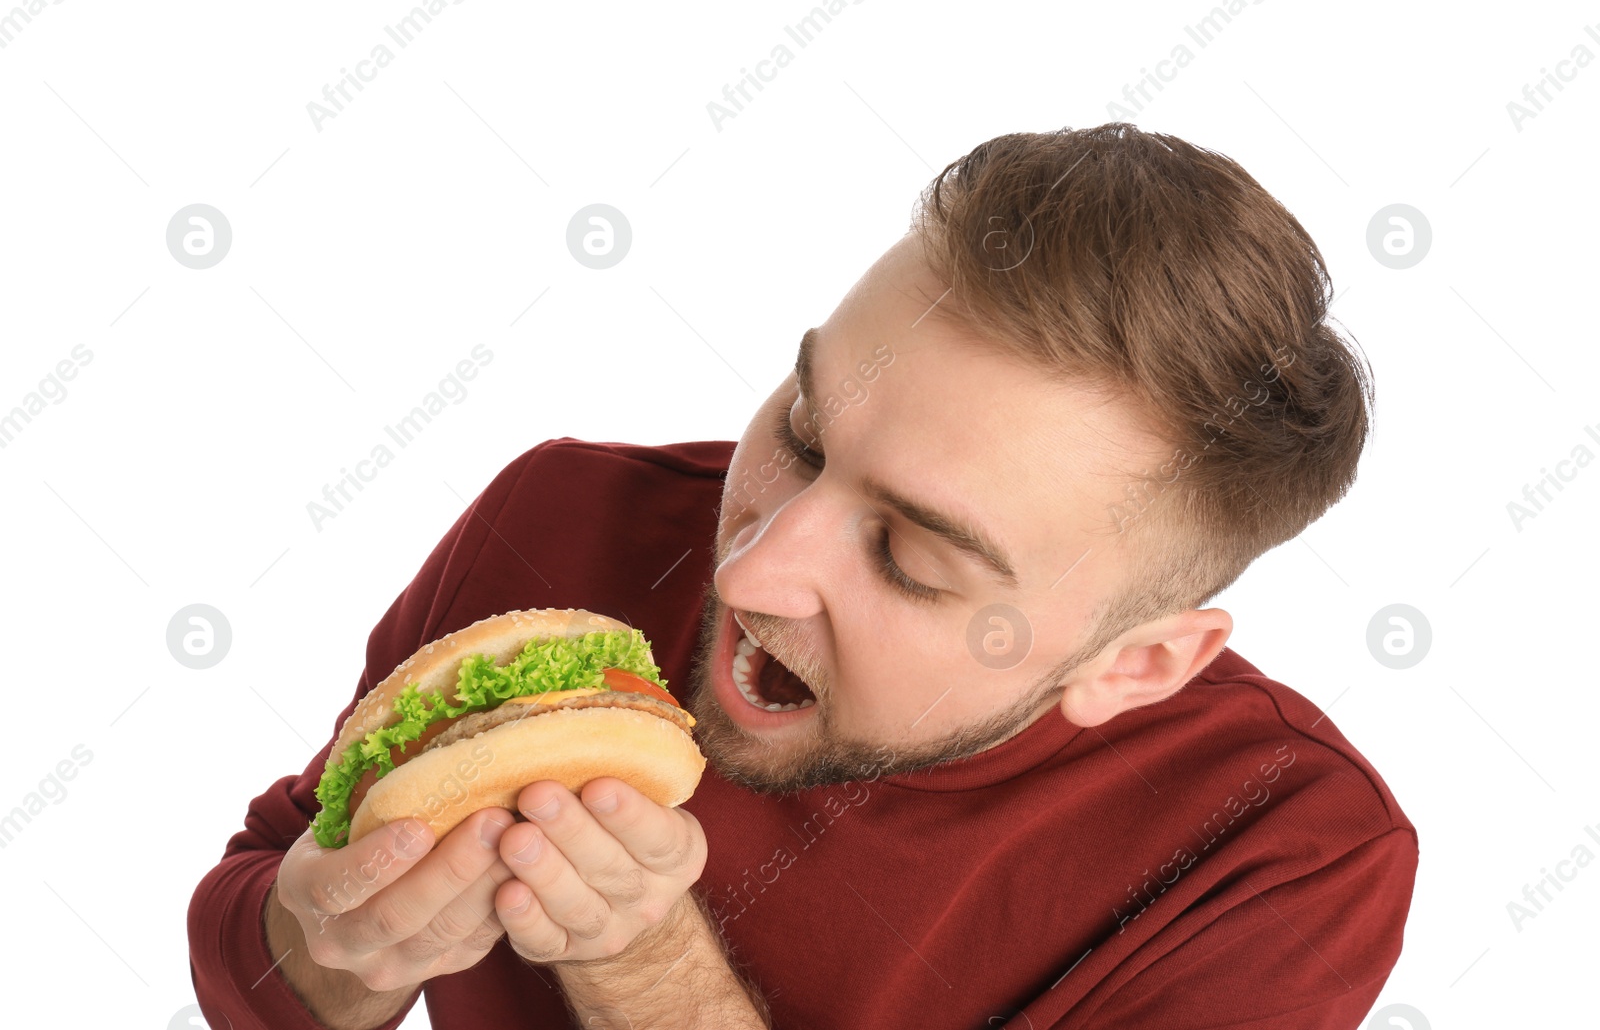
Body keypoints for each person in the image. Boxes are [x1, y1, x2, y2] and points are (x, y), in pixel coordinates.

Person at [188, 123, 1417, 1029]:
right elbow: (269, 892)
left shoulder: (1284, 856)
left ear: (1133, 663)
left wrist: (648, 970)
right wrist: (333, 944)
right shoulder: (567, 519)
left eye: (911, 557)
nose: (757, 567)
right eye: (803, 437)